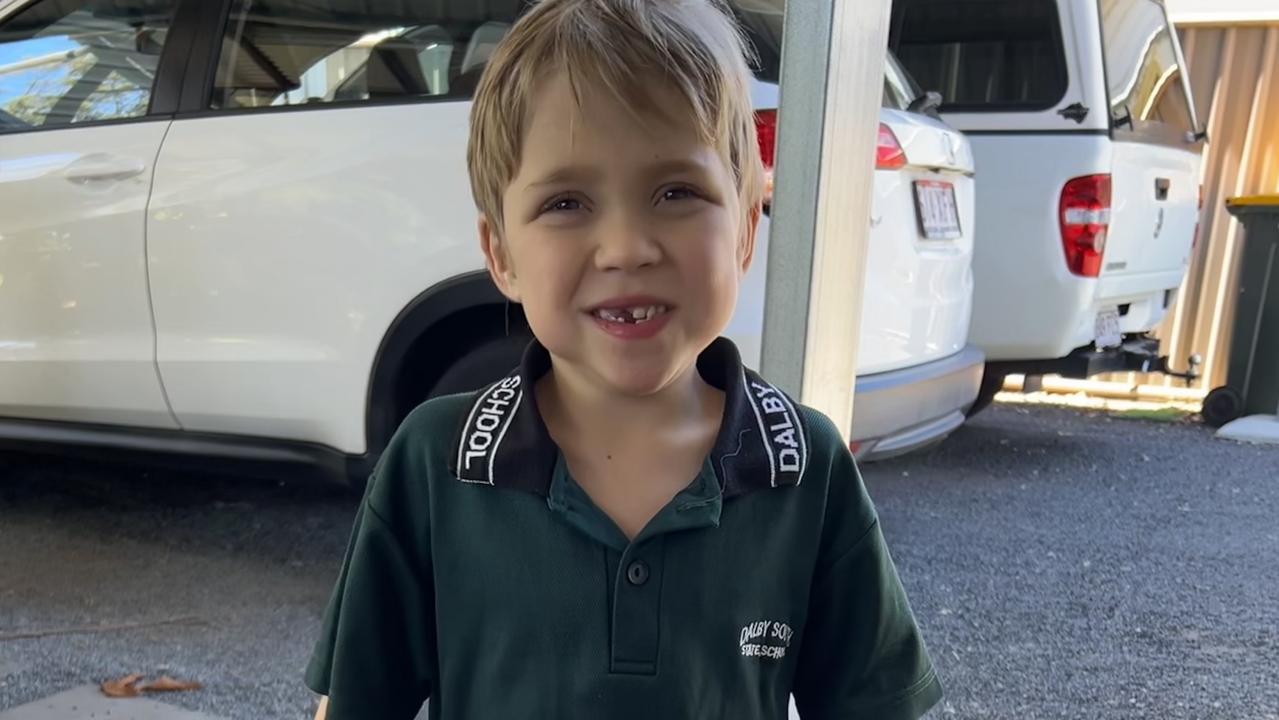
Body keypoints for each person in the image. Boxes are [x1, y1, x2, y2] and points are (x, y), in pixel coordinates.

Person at [306, 0, 942, 717]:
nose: (626, 248)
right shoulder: (435, 463)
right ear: (500, 254)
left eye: (676, 192)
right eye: (567, 203)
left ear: (743, 231)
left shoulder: (803, 468)